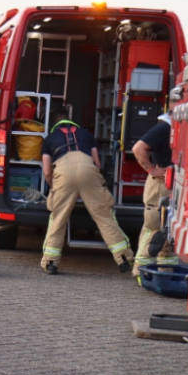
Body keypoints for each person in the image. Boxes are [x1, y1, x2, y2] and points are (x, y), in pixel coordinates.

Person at [39, 108, 134, 275]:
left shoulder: (49, 139)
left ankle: (51, 262)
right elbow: (97, 164)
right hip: (89, 172)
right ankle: (123, 258)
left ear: (53, 125)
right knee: (104, 216)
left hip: (63, 175)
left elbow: (47, 171)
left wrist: (54, 187)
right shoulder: (86, 135)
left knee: (58, 218)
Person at [131, 114, 178, 276]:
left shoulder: (178, 126)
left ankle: (166, 272)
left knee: (171, 233)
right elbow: (138, 148)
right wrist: (152, 170)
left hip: (174, 183)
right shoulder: (165, 127)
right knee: (155, 228)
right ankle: (140, 272)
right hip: (161, 184)